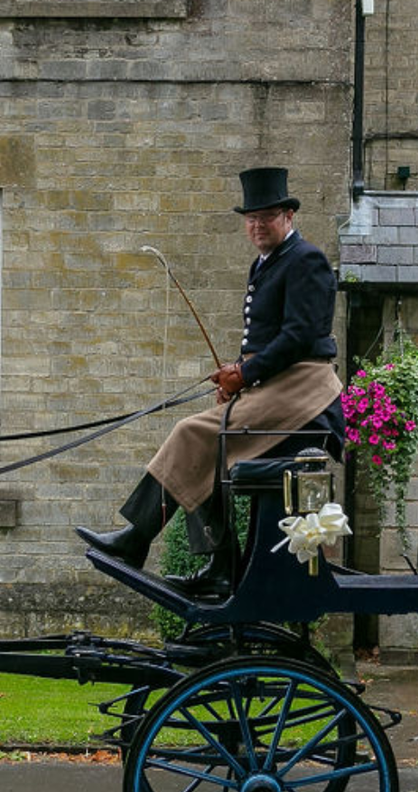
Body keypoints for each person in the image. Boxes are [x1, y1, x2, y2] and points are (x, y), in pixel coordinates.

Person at [78, 167, 342, 599]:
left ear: (288, 216)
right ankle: (220, 565)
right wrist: (236, 375)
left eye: (267, 217)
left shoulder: (305, 259)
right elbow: (265, 339)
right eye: (251, 219)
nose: (258, 226)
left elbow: (299, 336)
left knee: (195, 433)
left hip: (304, 394)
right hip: (277, 387)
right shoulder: (266, 263)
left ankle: (137, 538)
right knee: (208, 445)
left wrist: (245, 374)